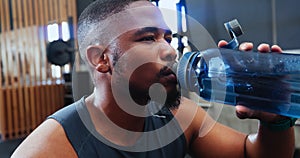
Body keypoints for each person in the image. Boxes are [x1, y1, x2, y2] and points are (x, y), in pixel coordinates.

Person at [12, 0, 296, 157]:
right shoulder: (51, 149)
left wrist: (275, 118)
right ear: (101, 59)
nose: (170, 51)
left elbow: (253, 155)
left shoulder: (181, 117)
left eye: (168, 38)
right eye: (148, 38)